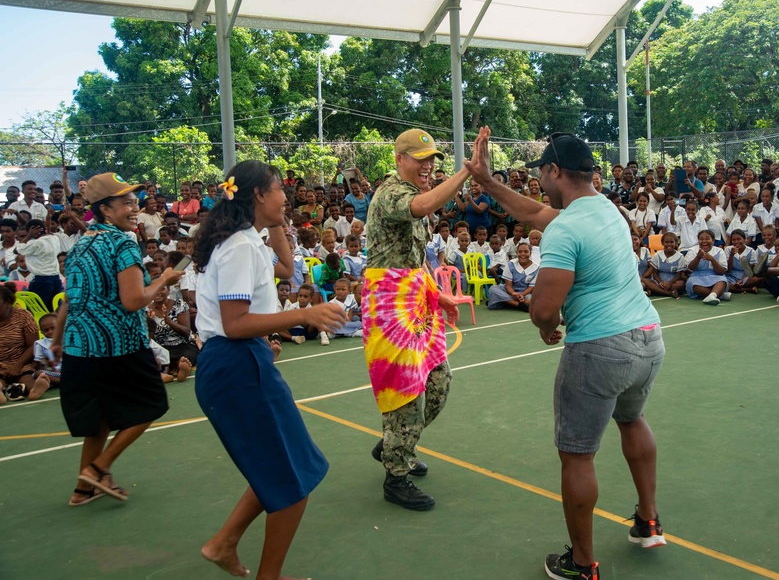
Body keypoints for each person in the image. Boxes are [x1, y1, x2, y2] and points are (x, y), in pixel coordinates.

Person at [467, 130, 665, 580]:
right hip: (648, 337)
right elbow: (536, 213)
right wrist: (486, 181)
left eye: (542, 174)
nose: (540, 184)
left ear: (554, 171)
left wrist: (545, 325)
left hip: (600, 348)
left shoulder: (566, 229)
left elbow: (542, 308)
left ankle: (581, 564)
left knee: (577, 455)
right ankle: (648, 522)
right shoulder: (607, 211)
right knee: (632, 421)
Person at [192, 160, 346, 580]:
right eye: (279, 190)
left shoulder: (245, 240)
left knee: (284, 467)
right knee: (293, 482)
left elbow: (286, 267)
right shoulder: (240, 247)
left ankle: (223, 543)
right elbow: (235, 322)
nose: (288, 197)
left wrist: (277, 221)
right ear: (258, 194)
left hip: (241, 363)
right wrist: (305, 314)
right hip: (237, 367)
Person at [49, 173, 185, 506]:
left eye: (134, 201)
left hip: (81, 347)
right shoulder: (123, 244)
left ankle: (83, 490)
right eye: (126, 202)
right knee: (150, 406)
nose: (134, 207)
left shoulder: (81, 244)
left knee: (99, 420)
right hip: (118, 344)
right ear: (105, 209)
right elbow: (134, 300)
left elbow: (70, 296)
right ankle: (99, 468)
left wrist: (58, 336)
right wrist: (164, 278)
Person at [362, 128, 468, 511]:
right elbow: (422, 207)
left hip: (413, 297)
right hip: (389, 302)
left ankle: (394, 441)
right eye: (420, 159)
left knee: (438, 381)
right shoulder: (392, 193)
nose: (428, 166)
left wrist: (438, 295)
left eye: (432, 160)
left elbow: (416, 258)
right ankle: (396, 476)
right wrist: (465, 172)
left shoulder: (412, 194)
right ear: (399, 160)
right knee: (406, 390)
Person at [0, 284, 40, 404]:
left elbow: (33, 345)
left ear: (7, 303)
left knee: (27, 381)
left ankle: (33, 390)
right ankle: (8, 390)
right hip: (1, 364)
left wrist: (17, 366)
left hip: (22, 362)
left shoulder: (23, 316)